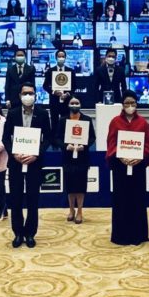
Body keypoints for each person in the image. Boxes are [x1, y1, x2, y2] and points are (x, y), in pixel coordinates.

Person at [3, 83, 51, 248]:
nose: (28, 96)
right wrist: (13, 154)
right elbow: (5, 138)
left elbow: (48, 138)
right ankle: (18, 233)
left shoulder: (42, 113)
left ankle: (30, 233)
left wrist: (36, 154)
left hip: (34, 162)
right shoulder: (13, 113)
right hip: (16, 162)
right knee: (15, 199)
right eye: (25, 93)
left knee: (33, 199)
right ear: (20, 96)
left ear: (35, 95)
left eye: (31, 93)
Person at [106, 91, 149, 245]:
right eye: (127, 103)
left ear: (136, 104)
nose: (130, 106)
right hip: (120, 167)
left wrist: (140, 157)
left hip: (138, 167)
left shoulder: (143, 123)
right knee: (121, 200)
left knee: (137, 200)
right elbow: (111, 143)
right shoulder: (115, 122)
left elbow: (148, 145)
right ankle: (121, 236)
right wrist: (119, 156)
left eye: (133, 103)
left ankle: (138, 235)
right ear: (122, 105)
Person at [55, 96, 96, 224]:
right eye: (72, 103)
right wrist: (65, 146)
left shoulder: (87, 119)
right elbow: (57, 138)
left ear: (80, 104)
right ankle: (71, 210)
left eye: (77, 102)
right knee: (70, 185)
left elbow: (92, 137)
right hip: (68, 157)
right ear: (68, 105)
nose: (74, 105)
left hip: (82, 157)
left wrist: (84, 146)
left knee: (81, 185)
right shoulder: (63, 120)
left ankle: (80, 211)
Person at [43, 50, 75, 147]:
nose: (61, 58)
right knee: (54, 121)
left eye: (63, 56)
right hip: (54, 101)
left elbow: (74, 86)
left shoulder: (70, 71)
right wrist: (53, 92)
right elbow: (45, 86)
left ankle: (66, 141)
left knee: (66, 121)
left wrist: (68, 94)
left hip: (66, 101)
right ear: (56, 58)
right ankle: (54, 142)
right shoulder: (50, 71)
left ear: (65, 58)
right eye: (59, 56)